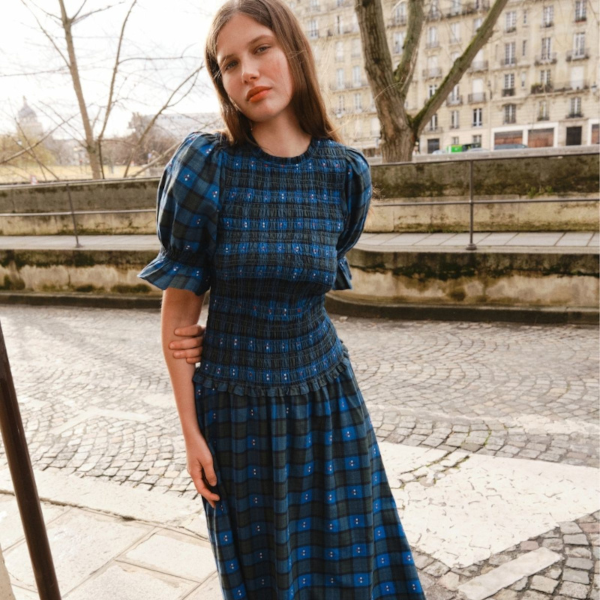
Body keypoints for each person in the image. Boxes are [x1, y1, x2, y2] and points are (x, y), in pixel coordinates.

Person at [138, 0, 425, 597]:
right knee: (269, 573)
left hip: (328, 399)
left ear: (294, 51)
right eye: (229, 63)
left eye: (261, 49)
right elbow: (180, 308)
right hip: (236, 410)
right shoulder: (205, 166)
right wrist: (191, 432)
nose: (247, 71)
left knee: (354, 562)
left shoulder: (345, 173)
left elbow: (318, 272)